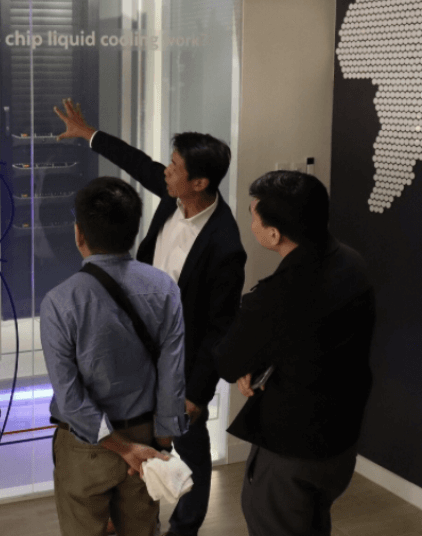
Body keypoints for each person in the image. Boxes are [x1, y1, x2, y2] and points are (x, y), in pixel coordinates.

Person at [55, 100, 246, 536]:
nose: (166, 170)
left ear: (199, 182)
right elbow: (139, 163)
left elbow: (220, 327)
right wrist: (88, 134)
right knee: (143, 445)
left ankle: (185, 527)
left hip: (181, 370)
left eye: (175, 166)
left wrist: (196, 395)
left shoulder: (225, 244)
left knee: (190, 455)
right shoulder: (172, 194)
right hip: (140, 351)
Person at [214, 171, 375, 536]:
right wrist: (264, 362)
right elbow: (318, 344)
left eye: (254, 215)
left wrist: (252, 361)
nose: (251, 221)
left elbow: (227, 362)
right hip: (341, 438)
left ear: (273, 234)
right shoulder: (353, 265)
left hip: (292, 451)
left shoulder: (274, 298)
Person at [40, 176, 188, 536]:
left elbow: (70, 396)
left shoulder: (60, 301)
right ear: (134, 232)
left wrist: (116, 446)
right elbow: (173, 372)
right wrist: (160, 442)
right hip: (145, 434)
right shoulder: (164, 287)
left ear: (79, 235)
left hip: (84, 446)